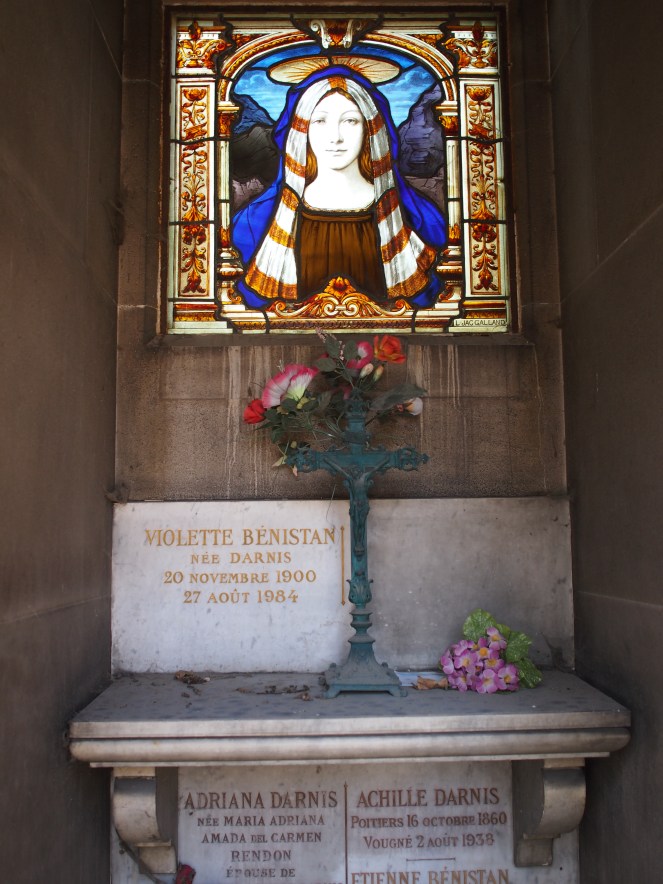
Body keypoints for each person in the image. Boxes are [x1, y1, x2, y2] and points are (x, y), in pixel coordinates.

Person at [232, 64, 447, 310]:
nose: (335, 137)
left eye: (350, 121)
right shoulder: (250, 226)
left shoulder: (425, 223)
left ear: (370, 130)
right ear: (302, 130)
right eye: (320, 121)